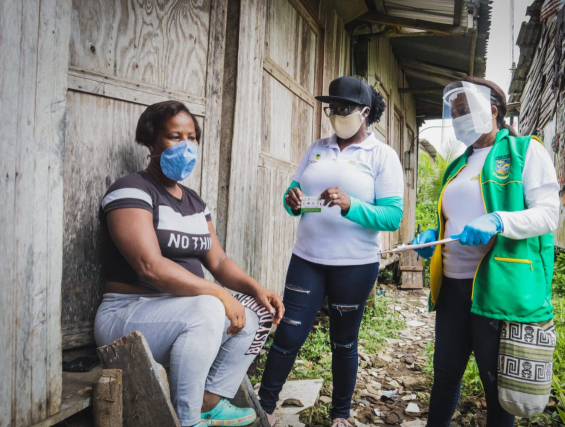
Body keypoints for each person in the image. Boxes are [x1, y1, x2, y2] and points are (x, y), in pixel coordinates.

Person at [94, 100, 284, 427]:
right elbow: (149, 267)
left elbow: (219, 260)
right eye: (174, 137)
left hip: (181, 312)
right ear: (151, 143)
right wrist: (218, 294)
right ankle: (187, 419)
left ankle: (210, 402)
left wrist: (257, 289)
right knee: (210, 307)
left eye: (192, 137)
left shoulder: (195, 203)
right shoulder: (132, 189)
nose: (186, 146)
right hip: (126, 314)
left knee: (256, 311)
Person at [258, 76, 405, 427]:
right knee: (288, 334)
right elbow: (295, 196)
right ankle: (264, 405)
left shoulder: (382, 156)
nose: (337, 114)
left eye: (345, 108)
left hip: (354, 265)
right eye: (332, 109)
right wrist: (291, 200)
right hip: (307, 258)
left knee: (343, 342)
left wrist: (352, 204)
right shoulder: (317, 148)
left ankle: (340, 414)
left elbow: (392, 216)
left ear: (365, 112)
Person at [413, 77, 560, 427]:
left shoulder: (525, 151)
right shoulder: (457, 164)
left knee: (498, 389)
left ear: (491, 111)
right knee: (445, 376)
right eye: (453, 111)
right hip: (452, 287)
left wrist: (498, 220)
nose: (456, 116)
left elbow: (548, 214)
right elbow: (452, 216)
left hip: (498, 288)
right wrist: (435, 236)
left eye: (463, 109)